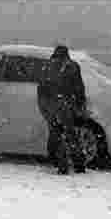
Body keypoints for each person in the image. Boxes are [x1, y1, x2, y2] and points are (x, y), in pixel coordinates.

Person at [37, 45, 87, 175]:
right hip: (64, 102)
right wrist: (80, 105)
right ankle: (78, 165)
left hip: (47, 103)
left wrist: (44, 107)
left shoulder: (46, 66)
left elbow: (41, 87)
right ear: (66, 54)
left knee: (55, 132)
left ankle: (57, 162)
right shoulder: (72, 66)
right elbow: (79, 87)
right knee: (70, 133)